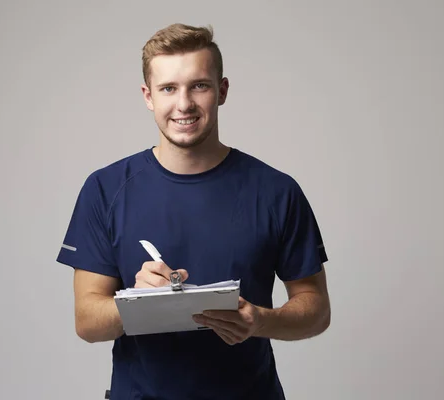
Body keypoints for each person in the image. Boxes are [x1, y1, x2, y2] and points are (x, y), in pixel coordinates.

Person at [56, 22, 331, 400]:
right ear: (148, 96)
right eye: (168, 88)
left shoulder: (276, 191)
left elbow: (316, 309)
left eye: (198, 85)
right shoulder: (104, 190)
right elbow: (87, 322)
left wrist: (261, 321)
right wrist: (137, 303)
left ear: (222, 91)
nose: (183, 104)